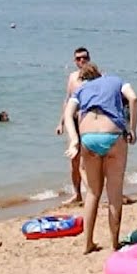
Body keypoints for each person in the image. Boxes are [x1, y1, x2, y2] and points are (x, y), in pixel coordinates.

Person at [63, 62, 137, 254]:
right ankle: (114, 243)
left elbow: (68, 113)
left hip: (88, 138)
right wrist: (132, 129)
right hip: (113, 135)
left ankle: (88, 243)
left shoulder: (80, 89)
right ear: (101, 74)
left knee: (93, 193)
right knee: (114, 192)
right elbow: (134, 98)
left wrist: (74, 140)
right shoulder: (116, 80)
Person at [56, 46, 92, 204]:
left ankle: (92, 192)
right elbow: (68, 100)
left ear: (89, 58)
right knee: (74, 159)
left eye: (84, 57)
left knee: (89, 159)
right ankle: (77, 194)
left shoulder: (95, 76)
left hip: (89, 120)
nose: (81, 60)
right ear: (74, 61)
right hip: (74, 120)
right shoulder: (72, 77)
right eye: (78, 58)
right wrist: (61, 122)